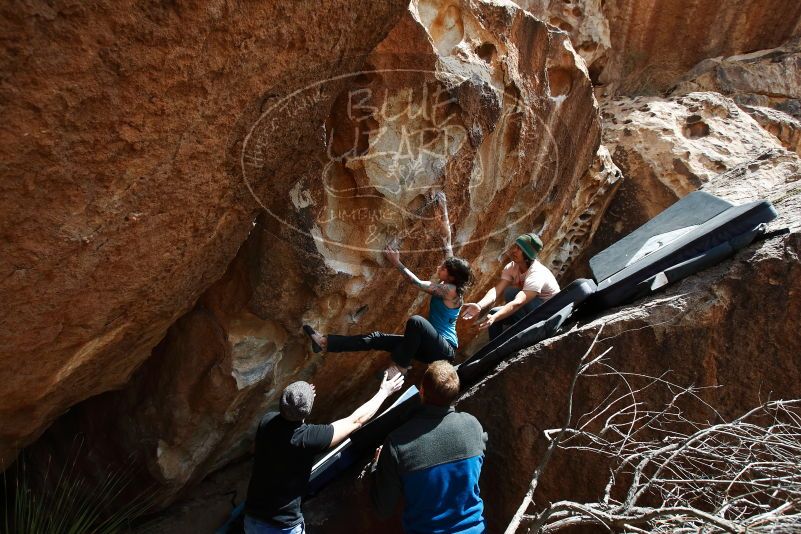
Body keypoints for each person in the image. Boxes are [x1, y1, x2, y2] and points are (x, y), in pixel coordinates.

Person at [244, 371, 404, 534]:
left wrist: (302, 396)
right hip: (281, 526)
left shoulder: (266, 422)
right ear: (308, 410)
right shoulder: (309, 439)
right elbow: (356, 420)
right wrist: (384, 391)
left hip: (252, 518)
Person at [303, 247, 471, 375]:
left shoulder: (450, 291)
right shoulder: (448, 285)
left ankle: (401, 367)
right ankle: (325, 343)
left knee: (416, 322)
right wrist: (444, 212)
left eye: (443, 268)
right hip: (427, 346)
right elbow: (448, 245)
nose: (439, 266)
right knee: (377, 339)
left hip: (444, 349)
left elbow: (417, 283)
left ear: (452, 277)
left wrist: (396, 262)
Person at [370, 361, 487, 533]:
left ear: (422, 391)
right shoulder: (473, 425)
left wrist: (376, 467)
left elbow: (383, 510)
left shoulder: (398, 443)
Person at [461, 233, 559, 340]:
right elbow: (496, 290)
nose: (514, 251)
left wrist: (495, 318)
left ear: (527, 254)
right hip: (529, 310)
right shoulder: (512, 267)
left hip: (548, 315)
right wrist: (480, 305)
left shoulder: (536, 273)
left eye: (519, 249)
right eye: (515, 247)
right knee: (496, 310)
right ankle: (493, 348)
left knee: (509, 299)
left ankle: (525, 331)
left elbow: (519, 302)